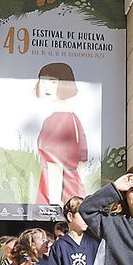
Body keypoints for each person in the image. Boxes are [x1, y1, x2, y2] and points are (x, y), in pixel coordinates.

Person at [35, 61, 88, 206]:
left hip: (56, 190)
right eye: (43, 81)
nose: (46, 86)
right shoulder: (72, 117)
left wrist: (53, 202)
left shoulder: (57, 119)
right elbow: (82, 161)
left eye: (53, 82)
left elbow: (53, 164)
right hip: (71, 189)